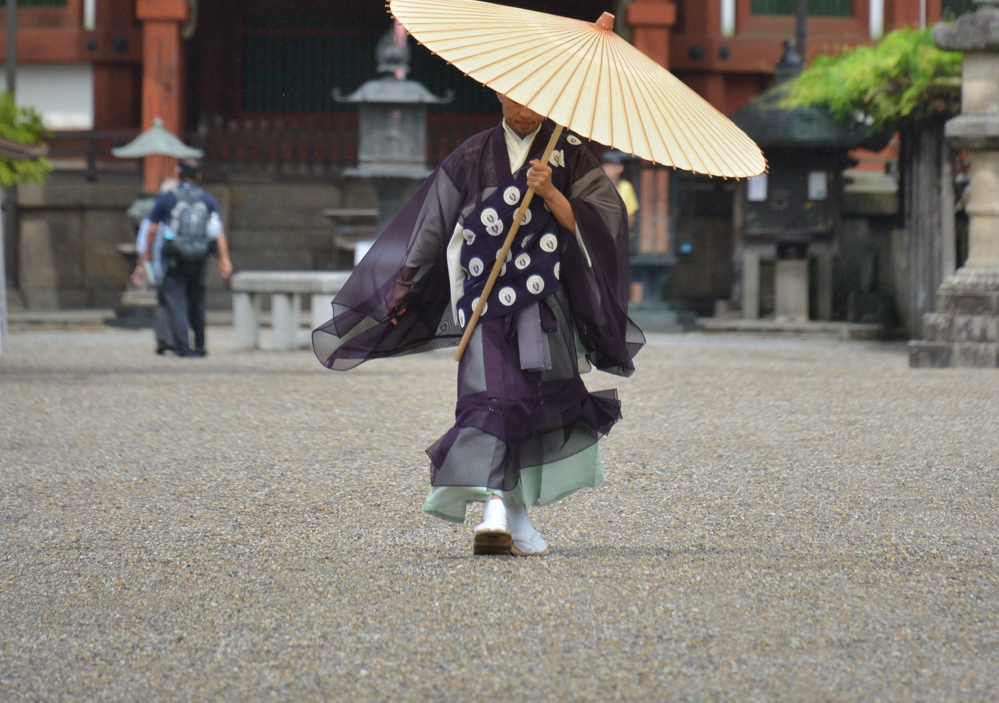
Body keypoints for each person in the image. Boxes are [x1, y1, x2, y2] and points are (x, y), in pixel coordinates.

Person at [313, 93, 643, 556]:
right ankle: (493, 510)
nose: (522, 110)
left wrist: (550, 192)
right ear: (497, 93)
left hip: (543, 304)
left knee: (528, 405)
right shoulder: (473, 153)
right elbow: (434, 221)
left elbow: (599, 224)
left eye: (533, 101)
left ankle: (518, 516)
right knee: (490, 401)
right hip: (482, 302)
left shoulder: (568, 153)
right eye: (513, 99)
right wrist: (404, 280)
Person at [145, 162, 232, 358]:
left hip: (174, 258)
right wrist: (224, 258)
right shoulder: (207, 199)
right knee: (197, 303)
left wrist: (148, 255)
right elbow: (217, 231)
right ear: (198, 176)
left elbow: (151, 230)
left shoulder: (167, 199)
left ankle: (183, 347)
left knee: (176, 303)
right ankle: (200, 346)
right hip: (199, 258)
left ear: (178, 174)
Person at [130, 175, 177, 355]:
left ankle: (163, 339)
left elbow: (143, 244)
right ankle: (172, 338)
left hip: (158, 264)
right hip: (175, 264)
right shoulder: (179, 214)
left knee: (163, 302)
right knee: (176, 301)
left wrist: (142, 264)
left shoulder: (152, 217)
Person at [601, 150, 638, 233]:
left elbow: (630, 217)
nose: (607, 168)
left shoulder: (625, 187)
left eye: (611, 165)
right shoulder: (596, 187)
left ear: (620, 168)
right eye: (605, 165)